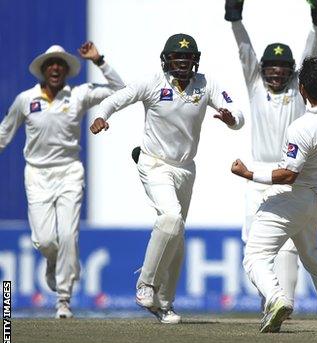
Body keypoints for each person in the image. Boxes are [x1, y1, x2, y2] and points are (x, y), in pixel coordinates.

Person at [90, 33, 244, 323]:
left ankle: (164, 303)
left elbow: (236, 111)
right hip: (154, 163)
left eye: (187, 57)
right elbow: (115, 100)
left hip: (186, 168)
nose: (183, 62)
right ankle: (146, 285)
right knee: (171, 218)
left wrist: (231, 118)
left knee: (177, 236)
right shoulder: (152, 82)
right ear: (167, 60)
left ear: (195, 60)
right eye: (177, 57)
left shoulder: (205, 84)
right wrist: (102, 116)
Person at [231, 57, 317, 333]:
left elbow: (288, 175)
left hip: (295, 197)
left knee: (254, 255)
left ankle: (277, 298)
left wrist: (249, 174)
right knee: (313, 257)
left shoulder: (301, 128)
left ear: (302, 90)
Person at [0, 42, 124, 319]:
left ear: (67, 71)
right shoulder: (25, 100)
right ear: (43, 70)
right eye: (50, 64)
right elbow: (4, 133)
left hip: (69, 171)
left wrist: (100, 60)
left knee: (68, 234)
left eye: (60, 65)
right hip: (37, 174)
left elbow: (119, 91)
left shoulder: (78, 95)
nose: (55, 68)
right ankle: (53, 259)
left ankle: (63, 299)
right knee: (44, 241)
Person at [224, 0, 317, 309]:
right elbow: (245, 50)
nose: (276, 74)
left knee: (287, 247)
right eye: (271, 68)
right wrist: (235, 18)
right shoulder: (255, 86)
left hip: (287, 174)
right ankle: (269, 302)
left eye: (283, 69)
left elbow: (310, 53)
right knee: (254, 245)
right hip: (257, 175)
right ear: (263, 70)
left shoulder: (299, 90)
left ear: (291, 73)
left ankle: (284, 302)